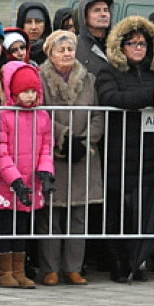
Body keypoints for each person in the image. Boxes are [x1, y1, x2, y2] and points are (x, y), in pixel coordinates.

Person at [96, 16, 154, 282]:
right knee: (115, 212)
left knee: (141, 213)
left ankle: (136, 261)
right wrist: (148, 97)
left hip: (149, 155)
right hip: (118, 151)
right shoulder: (109, 70)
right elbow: (111, 97)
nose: (138, 48)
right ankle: (117, 263)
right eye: (132, 43)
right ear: (121, 46)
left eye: (143, 44)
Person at [38, 29, 104, 286]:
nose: (66, 54)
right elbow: (41, 112)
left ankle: (73, 267)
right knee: (50, 216)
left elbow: (99, 114)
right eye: (61, 50)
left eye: (70, 49)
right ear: (50, 53)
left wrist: (87, 141)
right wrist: (63, 137)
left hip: (84, 155)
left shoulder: (88, 79)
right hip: (53, 153)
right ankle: (50, 268)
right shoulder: (41, 78)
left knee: (79, 215)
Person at [0, 61, 54, 289]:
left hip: (30, 183)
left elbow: (47, 147)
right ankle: (4, 270)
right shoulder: (4, 116)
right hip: (8, 184)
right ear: (14, 92)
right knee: (5, 227)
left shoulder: (42, 116)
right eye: (25, 91)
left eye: (33, 91)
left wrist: (45, 172)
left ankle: (19, 269)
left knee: (22, 228)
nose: (30, 95)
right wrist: (14, 180)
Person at [73, 0, 113, 75]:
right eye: (97, 10)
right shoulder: (75, 47)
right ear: (85, 16)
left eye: (106, 10)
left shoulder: (119, 44)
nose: (103, 14)